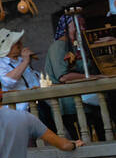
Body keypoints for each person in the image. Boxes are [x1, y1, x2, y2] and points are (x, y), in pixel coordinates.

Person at [43, 12, 104, 140]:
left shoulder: (75, 46)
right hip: (71, 106)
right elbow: (63, 76)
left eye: (83, 26)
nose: (82, 29)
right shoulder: (59, 46)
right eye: (78, 26)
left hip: (86, 103)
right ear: (66, 28)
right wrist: (92, 77)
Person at [0, 28, 57, 133]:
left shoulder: (20, 60)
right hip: (20, 110)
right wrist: (25, 62)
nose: (21, 44)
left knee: (52, 136)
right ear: (8, 46)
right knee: (29, 143)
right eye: (17, 42)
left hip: (39, 105)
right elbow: (8, 81)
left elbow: (34, 80)